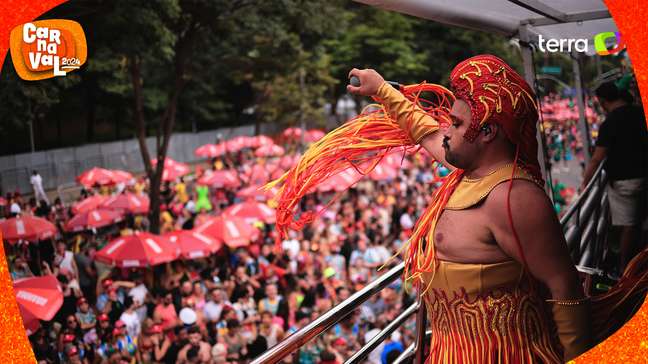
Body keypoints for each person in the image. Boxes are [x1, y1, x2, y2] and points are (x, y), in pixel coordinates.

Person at [343, 55, 592, 362]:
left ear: (487, 133)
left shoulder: (514, 197)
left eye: (457, 124)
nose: (446, 131)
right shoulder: (473, 170)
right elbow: (427, 132)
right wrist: (381, 88)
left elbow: (564, 284)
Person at [582, 81, 647, 274]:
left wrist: (585, 185)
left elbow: (597, 159)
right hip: (644, 175)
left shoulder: (609, 123)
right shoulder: (639, 113)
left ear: (602, 101)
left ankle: (625, 268)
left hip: (625, 182)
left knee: (628, 225)